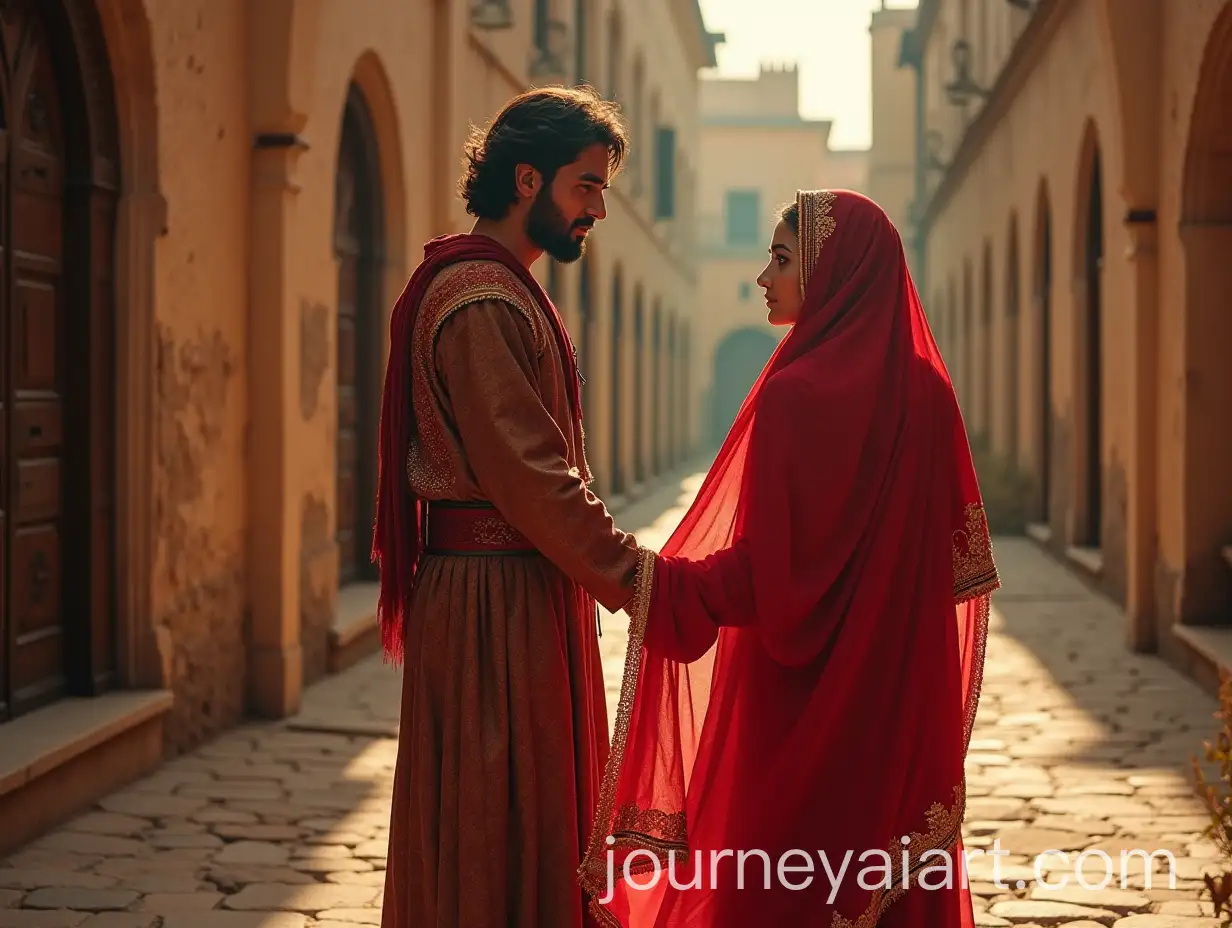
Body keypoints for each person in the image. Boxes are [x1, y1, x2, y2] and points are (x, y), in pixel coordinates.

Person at [577, 190, 998, 927]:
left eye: (780, 259)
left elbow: (767, 576)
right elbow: (955, 568)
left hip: (791, 701)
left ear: (836, 271)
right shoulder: (929, 394)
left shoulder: (792, 397)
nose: (761, 278)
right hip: (896, 699)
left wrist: (664, 587)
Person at [372, 86, 655, 928]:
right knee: (494, 809)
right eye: (587, 186)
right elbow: (532, 472)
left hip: (519, 592)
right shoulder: (481, 298)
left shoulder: (502, 288)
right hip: (491, 607)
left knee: (529, 811)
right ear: (527, 179)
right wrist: (636, 579)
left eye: (603, 189)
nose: (598, 209)